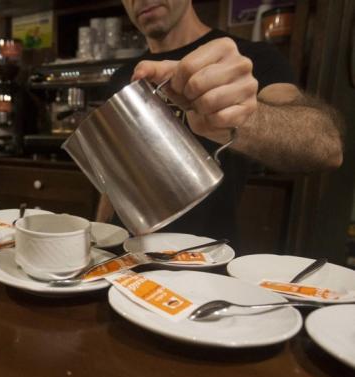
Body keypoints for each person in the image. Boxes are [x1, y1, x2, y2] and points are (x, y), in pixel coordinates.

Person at [97, 0, 343, 241]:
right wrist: (98, 241)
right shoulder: (122, 76)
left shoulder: (247, 59)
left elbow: (326, 146)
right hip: (121, 263)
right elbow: (113, 177)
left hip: (205, 263)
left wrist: (243, 118)